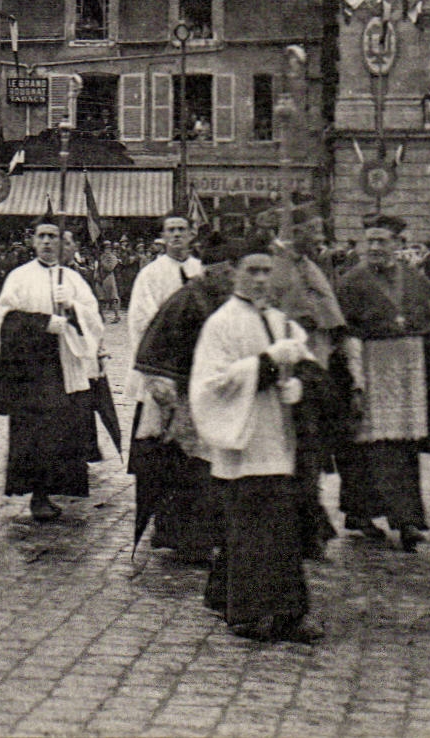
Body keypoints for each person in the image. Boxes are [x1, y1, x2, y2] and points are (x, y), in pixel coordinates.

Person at [190, 236, 323, 644]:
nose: (262, 279)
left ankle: (234, 599)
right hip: (244, 443)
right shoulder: (222, 323)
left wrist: (300, 383)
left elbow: (311, 368)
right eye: (253, 270)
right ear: (234, 272)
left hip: (277, 439)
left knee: (277, 526)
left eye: (267, 270)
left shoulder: (281, 321)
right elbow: (210, 385)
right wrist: (265, 365)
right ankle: (253, 612)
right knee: (254, 527)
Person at [334, 214, 430, 551]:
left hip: (408, 371)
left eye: (383, 241)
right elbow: (343, 332)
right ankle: (367, 515)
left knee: (402, 446)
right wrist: (354, 381)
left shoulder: (414, 278)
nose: (376, 247)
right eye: (371, 241)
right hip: (369, 367)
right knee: (367, 446)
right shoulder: (350, 282)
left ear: (398, 244)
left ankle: (405, 518)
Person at [0, 218, 105, 522]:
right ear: (33, 241)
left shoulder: (74, 280)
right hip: (32, 367)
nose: (49, 242)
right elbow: (4, 321)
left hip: (66, 362)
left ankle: (56, 489)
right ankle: (37, 495)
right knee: (35, 432)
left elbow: (94, 319)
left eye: (54, 237)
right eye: (42, 236)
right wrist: (42, 323)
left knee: (62, 430)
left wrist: (75, 308)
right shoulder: (19, 277)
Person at [130, 235, 238, 564]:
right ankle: (184, 538)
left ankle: (204, 535)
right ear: (217, 270)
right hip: (180, 396)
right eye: (231, 270)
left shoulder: (224, 299)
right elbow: (155, 347)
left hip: (209, 394)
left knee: (207, 466)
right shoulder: (189, 299)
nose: (235, 278)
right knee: (187, 466)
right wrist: (167, 398)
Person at [266, 208, 347, 558]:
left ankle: (309, 527)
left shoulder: (309, 265)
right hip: (286, 372)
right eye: (312, 230)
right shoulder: (276, 266)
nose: (318, 237)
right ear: (294, 230)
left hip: (314, 370)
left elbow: (329, 314)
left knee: (310, 452)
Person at [127, 216, 206, 459]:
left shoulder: (201, 270)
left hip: (194, 361)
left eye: (182, 229)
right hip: (162, 362)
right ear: (163, 235)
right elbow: (142, 318)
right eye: (171, 230)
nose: (176, 235)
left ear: (192, 234)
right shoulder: (150, 274)